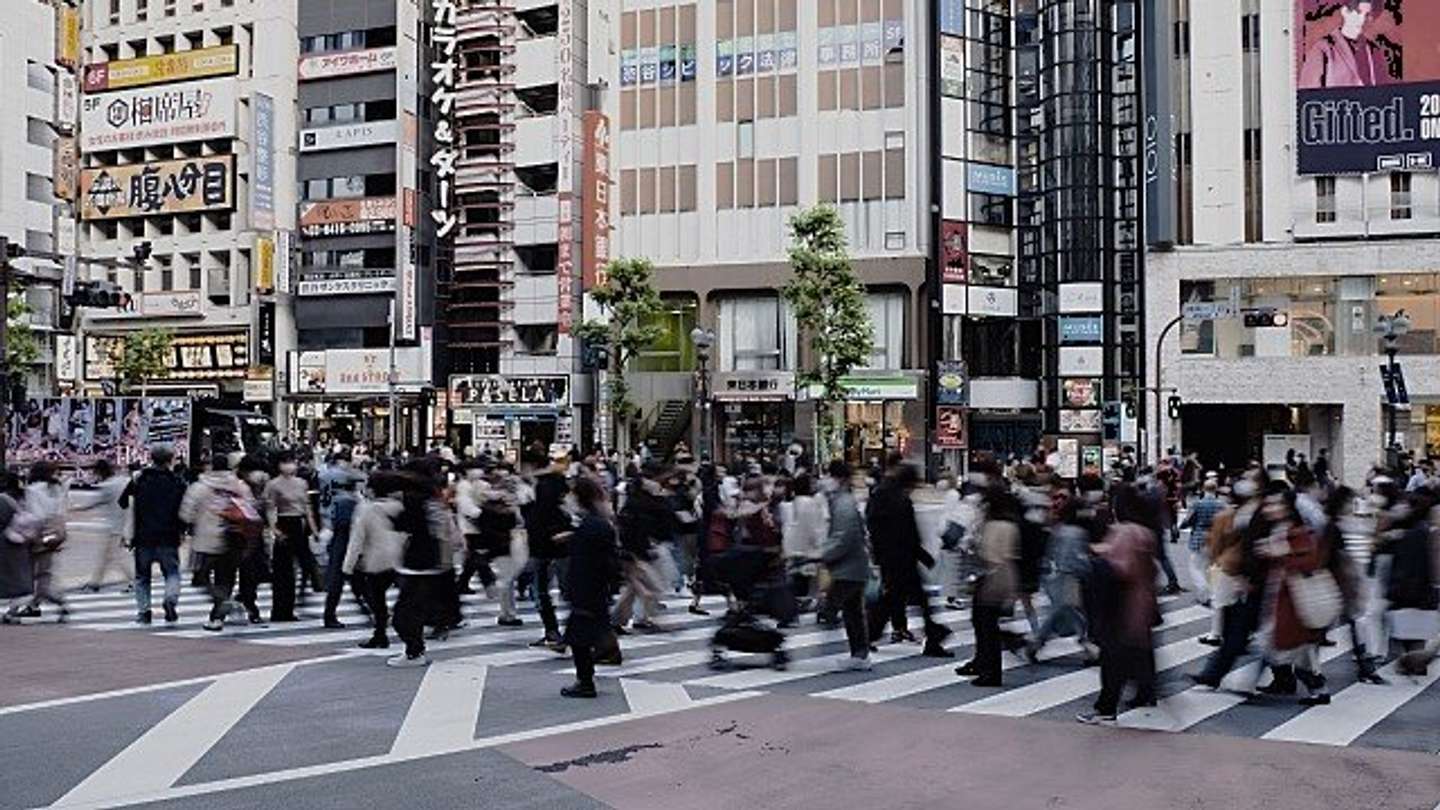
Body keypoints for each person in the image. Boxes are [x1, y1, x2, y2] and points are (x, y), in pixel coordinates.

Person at [1078, 485, 1159, 725]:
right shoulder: (1146, 532)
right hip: (1142, 599)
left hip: (1121, 603)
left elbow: (1120, 567)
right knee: (1138, 651)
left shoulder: (1123, 532)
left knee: (1113, 658)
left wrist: (1097, 554)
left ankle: (1106, 708)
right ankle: (1145, 692)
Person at [867, 463, 951, 658]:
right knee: (903, 601)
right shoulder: (900, 500)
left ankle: (931, 636)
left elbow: (875, 526)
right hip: (903, 559)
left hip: (892, 557)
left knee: (897, 600)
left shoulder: (880, 495)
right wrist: (923, 555)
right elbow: (908, 534)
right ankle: (869, 636)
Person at [179, 454, 259, 632]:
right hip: (232, 538)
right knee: (226, 579)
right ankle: (217, 618)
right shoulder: (239, 486)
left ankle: (222, 602)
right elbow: (251, 509)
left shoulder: (199, 488)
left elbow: (186, 514)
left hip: (205, 540)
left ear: (210, 466)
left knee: (201, 577)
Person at [387, 466, 457, 668]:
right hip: (431, 562)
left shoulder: (413, 500)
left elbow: (405, 525)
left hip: (419, 562)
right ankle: (416, 648)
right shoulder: (433, 500)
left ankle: (414, 652)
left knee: (405, 612)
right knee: (412, 609)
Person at [561, 476, 621, 698]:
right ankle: (604, 657)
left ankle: (585, 682)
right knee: (591, 630)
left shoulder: (590, 526)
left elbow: (589, 561)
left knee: (579, 637)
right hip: (595, 588)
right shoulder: (596, 524)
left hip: (587, 588)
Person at [958, 486, 1019, 686]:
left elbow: (986, 554)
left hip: (991, 576)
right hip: (1005, 575)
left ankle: (990, 671)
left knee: (984, 625)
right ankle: (986, 666)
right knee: (987, 624)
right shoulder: (1010, 525)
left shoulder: (992, 525)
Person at [121, 445, 187, 625]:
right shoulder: (177, 482)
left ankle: (144, 612)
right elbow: (185, 510)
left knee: (142, 577)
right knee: (172, 572)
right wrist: (183, 529)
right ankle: (170, 599)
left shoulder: (140, 479)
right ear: (170, 460)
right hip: (169, 535)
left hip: (143, 535)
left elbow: (123, 502)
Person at [343, 473, 406, 649]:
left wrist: (348, 566)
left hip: (376, 560)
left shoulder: (367, 509)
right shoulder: (400, 507)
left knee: (378, 600)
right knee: (406, 594)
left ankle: (380, 635)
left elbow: (357, 539)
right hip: (400, 558)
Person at [819, 461, 872, 670]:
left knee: (833, 607)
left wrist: (823, 554)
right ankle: (860, 654)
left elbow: (843, 537)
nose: (825, 480)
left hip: (847, 568)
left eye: (827, 475)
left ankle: (860, 653)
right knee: (852, 612)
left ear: (837, 478)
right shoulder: (843, 501)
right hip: (852, 566)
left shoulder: (844, 504)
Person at [264, 453, 324, 622]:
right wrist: (275, 529)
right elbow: (270, 508)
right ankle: (279, 611)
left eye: (292, 462)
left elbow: (307, 507)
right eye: (286, 462)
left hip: (300, 525)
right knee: (282, 571)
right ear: (279, 465)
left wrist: (314, 530)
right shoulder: (273, 485)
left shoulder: (302, 483)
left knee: (303, 566)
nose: (290, 466)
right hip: (284, 523)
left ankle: (290, 608)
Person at [526, 448, 573, 651]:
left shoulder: (543, 486)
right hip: (563, 544)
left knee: (540, 591)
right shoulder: (561, 483)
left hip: (543, 545)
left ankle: (553, 633)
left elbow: (541, 517)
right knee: (568, 590)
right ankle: (571, 633)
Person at [1298, 0, 1388, 89]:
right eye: (1358, 12)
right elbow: (1308, 96)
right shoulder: (1322, 49)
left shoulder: (1375, 51)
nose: (1362, 20)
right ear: (1345, 12)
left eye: (1368, 15)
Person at [76, 459, 134, 593]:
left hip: (112, 526)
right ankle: (95, 582)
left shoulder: (107, 486)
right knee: (107, 557)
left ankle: (133, 581)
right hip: (124, 522)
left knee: (115, 557)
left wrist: (76, 509)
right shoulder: (122, 481)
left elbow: (93, 503)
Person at [322, 474, 364, 629]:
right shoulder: (350, 502)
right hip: (346, 543)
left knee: (341, 581)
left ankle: (330, 614)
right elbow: (347, 524)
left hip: (339, 543)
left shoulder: (338, 500)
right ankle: (330, 615)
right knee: (345, 581)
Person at [781, 473, 827, 612]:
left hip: (791, 546)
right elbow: (815, 528)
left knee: (795, 577)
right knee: (810, 578)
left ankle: (795, 602)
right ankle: (808, 603)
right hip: (808, 547)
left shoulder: (790, 503)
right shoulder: (811, 503)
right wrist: (821, 544)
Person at [1180, 479, 1226, 605]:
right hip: (1216, 538)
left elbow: (1189, 520)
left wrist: (1182, 526)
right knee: (1213, 567)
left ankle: (1203, 591)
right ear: (1216, 490)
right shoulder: (1221, 505)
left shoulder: (1198, 504)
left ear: (1203, 489)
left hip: (1199, 538)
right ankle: (1213, 594)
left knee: (1196, 567)